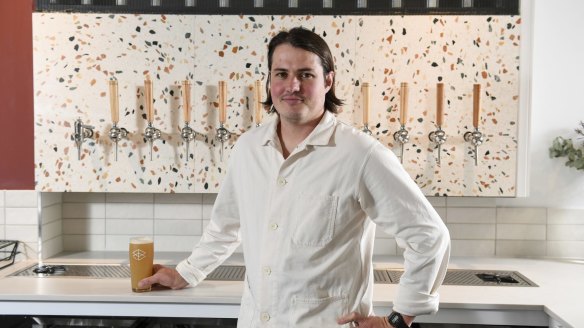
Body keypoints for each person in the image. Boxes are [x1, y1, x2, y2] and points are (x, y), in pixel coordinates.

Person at [139, 27, 450, 328]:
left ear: (328, 81)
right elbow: (225, 227)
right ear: (269, 80)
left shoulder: (360, 154)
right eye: (282, 74)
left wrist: (399, 318)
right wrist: (185, 273)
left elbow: (429, 236)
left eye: (306, 74)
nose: (293, 86)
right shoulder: (248, 149)